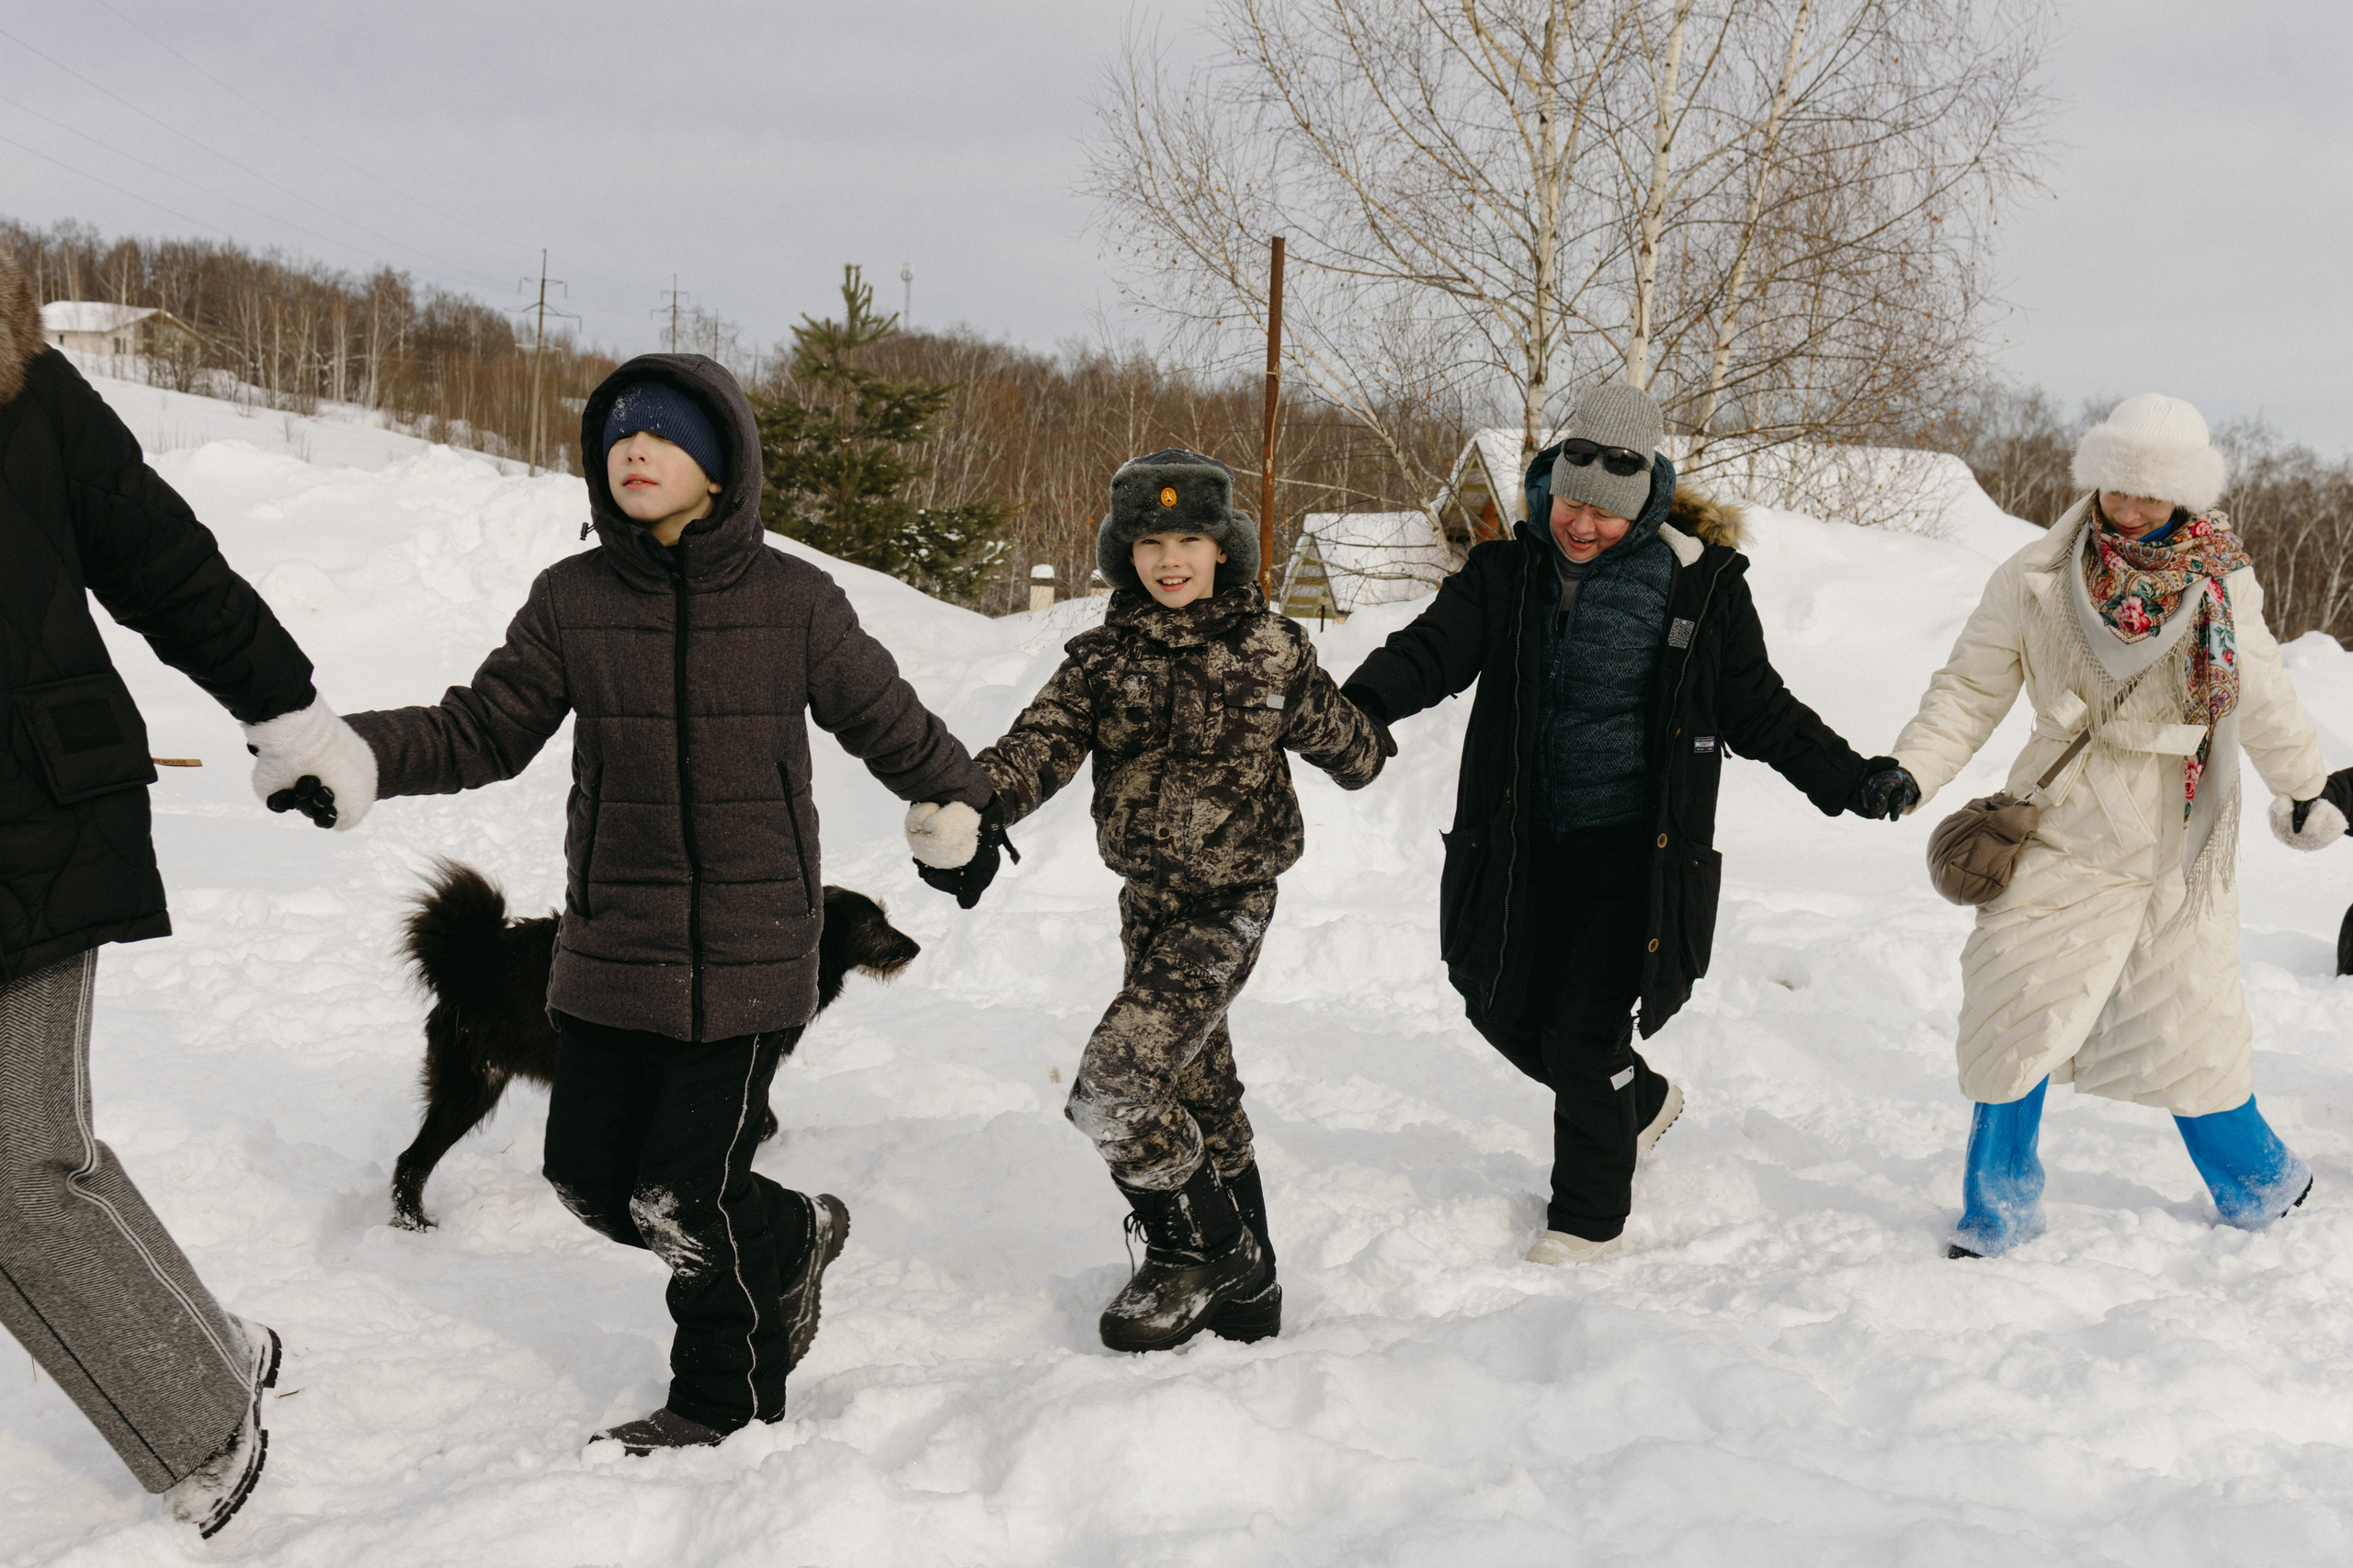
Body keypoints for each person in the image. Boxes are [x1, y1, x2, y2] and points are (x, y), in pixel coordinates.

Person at [308, 353, 995, 1451]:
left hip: (750, 954)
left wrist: (963, 808)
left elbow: (890, 719)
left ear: (722, 467)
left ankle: (723, 1402)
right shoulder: (572, 600)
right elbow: (482, 728)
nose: (635, 448)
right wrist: (358, 752)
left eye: (665, 434)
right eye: (619, 435)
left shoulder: (793, 600)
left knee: (682, 1192)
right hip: (611, 953)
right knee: (590, 1179)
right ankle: (793, 1234)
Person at [1337, 382, 1902, 1267]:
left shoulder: (1698, 588)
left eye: (1603, 512)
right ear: (1549, 485)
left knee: (1583, 1032)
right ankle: (1633, 1101)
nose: (1580, 524)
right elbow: (1430, 650)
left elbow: (1762, 709)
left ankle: (1587, 1220)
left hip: (1631, 849)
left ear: (1643, 504)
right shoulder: (1505, 572)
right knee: (1493, 999)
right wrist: (1357, 708)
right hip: (1518, 838)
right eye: (1570, 502)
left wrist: (1854, 778)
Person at [907, 449, 1387, 1351]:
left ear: (1223, 547)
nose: (1171, 560)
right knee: (1201, 1090)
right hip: (1147, 905)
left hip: (1230, 905)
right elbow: (1036, 746)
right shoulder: (1100, 660)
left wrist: (1365, 725)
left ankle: (1199, 1250)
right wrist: (973, 808)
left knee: (1114, 1086)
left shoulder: (1272, 648)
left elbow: (1354, 751)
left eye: (1189, 540)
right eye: (1150, 543)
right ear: (1124, 555)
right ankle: (1254, 1290)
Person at [0, 249, 328, 1536]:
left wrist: (285, 711)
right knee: (33, 1156)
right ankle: (210, 1348)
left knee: (12, 1169)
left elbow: (164, 563)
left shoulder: (31, 392)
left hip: (32, 816)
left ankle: (198, 1425)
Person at [1880, 393, 2341, 1257]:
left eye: (2151, 493)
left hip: (2180, 833)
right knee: (2012, 1002)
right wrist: (1914, 768)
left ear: (2184, 496)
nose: (2129, 508)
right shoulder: (2034, 573)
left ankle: (2262, 1184)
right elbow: (1971, 688)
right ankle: (1997, 1209)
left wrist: (2308, 786)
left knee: (2186, 1020)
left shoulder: (2221, 580)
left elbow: (2262, 693)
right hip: (2061, 821)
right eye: (2117, 487)